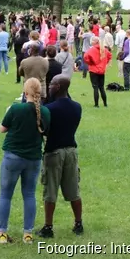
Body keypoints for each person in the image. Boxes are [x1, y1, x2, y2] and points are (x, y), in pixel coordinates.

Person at [0, 78, 51, 245]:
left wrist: (7, 113)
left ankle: (2, 233)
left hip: (13, 156)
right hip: (33, 158)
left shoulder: (15, 109)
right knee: (29, 194)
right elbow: (46, 131)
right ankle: (28, 234)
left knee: (6, 194)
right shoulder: (45, 112)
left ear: (25, 92)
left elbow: (2, 129)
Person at [37, 76, 83, 239]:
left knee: (50, 190)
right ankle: (78, 223)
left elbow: (43, 130)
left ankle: (48, 227)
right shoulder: (77, 107)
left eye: (51, 85)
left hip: (54, 151)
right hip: (71, 150)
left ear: (57, 87)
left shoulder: (49, 109)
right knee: (73, 190)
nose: (49, 87)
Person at [83, 36, 112, 108]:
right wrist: (105, 63)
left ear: (94, 42)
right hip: (102, 71)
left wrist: (90, 63)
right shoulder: (104, 50)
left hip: (93, 70)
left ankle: (96, 104)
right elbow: (109, 56)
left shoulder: (91, 50)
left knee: (95, 87)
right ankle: (105, 104)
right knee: (101, 87)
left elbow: (86, 57)